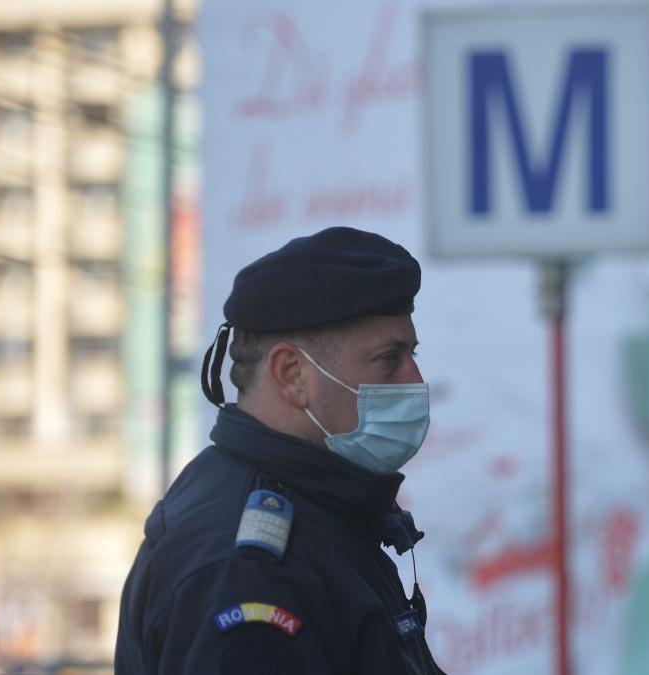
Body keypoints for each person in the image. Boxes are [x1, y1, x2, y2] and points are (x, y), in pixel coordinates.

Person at [115, 227, 447, 674]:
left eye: (413, 355)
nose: (415, 382)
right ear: (292, 374)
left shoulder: (321, 512)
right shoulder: (247, 572)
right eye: (390, 359)